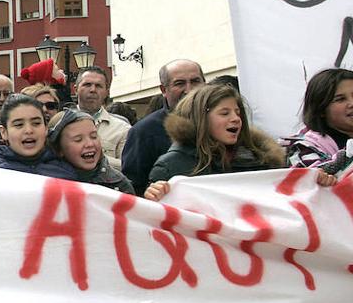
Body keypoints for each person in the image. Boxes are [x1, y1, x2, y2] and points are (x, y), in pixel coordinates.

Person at [144, 84, 293, 201]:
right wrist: (154, 196)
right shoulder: (170, 167)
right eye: (225, 113)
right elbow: (156, 223)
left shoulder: (263, 160)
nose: (236, 119)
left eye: (238, 112)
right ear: (201, 118)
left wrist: (313, 181)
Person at [121, 59, 205, 196]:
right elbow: (133, 188)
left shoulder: (221, 124)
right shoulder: (144, 132)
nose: (189, 89)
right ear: (164, 90)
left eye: (195, 81)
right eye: (180, 83)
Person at [0, 95, 77, 179]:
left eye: (36, 123)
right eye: (19, 125)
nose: (29, 130)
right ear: (4, 132)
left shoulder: (65, 172)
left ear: (46, 128)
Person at [279, 68, 353, 174]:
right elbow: (308, 176)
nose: (352, 103)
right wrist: (346, 157)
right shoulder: (303, 147)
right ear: (321, 109)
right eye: (340, 99)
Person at [47, 109, 134, 193]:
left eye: (94, 136)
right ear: (58, 148)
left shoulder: (118, 184)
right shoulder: (44, 181)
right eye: (78, 140)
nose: (90, 144)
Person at [73, 66, 131, 170]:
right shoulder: (60, 123)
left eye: (98, 86)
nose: (93, 90)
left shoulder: (122, 129)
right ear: (75, 89)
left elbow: (127, 166)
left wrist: (97, 157)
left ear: (107, 92)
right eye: (87, 85)